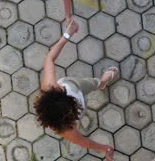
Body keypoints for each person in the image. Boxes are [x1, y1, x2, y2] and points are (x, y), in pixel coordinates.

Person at [34, 21, 119, 161]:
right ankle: (101, 82)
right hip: (77, 90)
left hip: (75, 84)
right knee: (90, 84)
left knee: (93, 83)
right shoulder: (66, 130)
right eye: (60, 90)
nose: (57, 87)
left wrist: (67, 34)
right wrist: (104, 148)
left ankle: (102, 83)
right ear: (71, 107)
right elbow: (83, 142)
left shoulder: (48, 88)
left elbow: (49, 59)